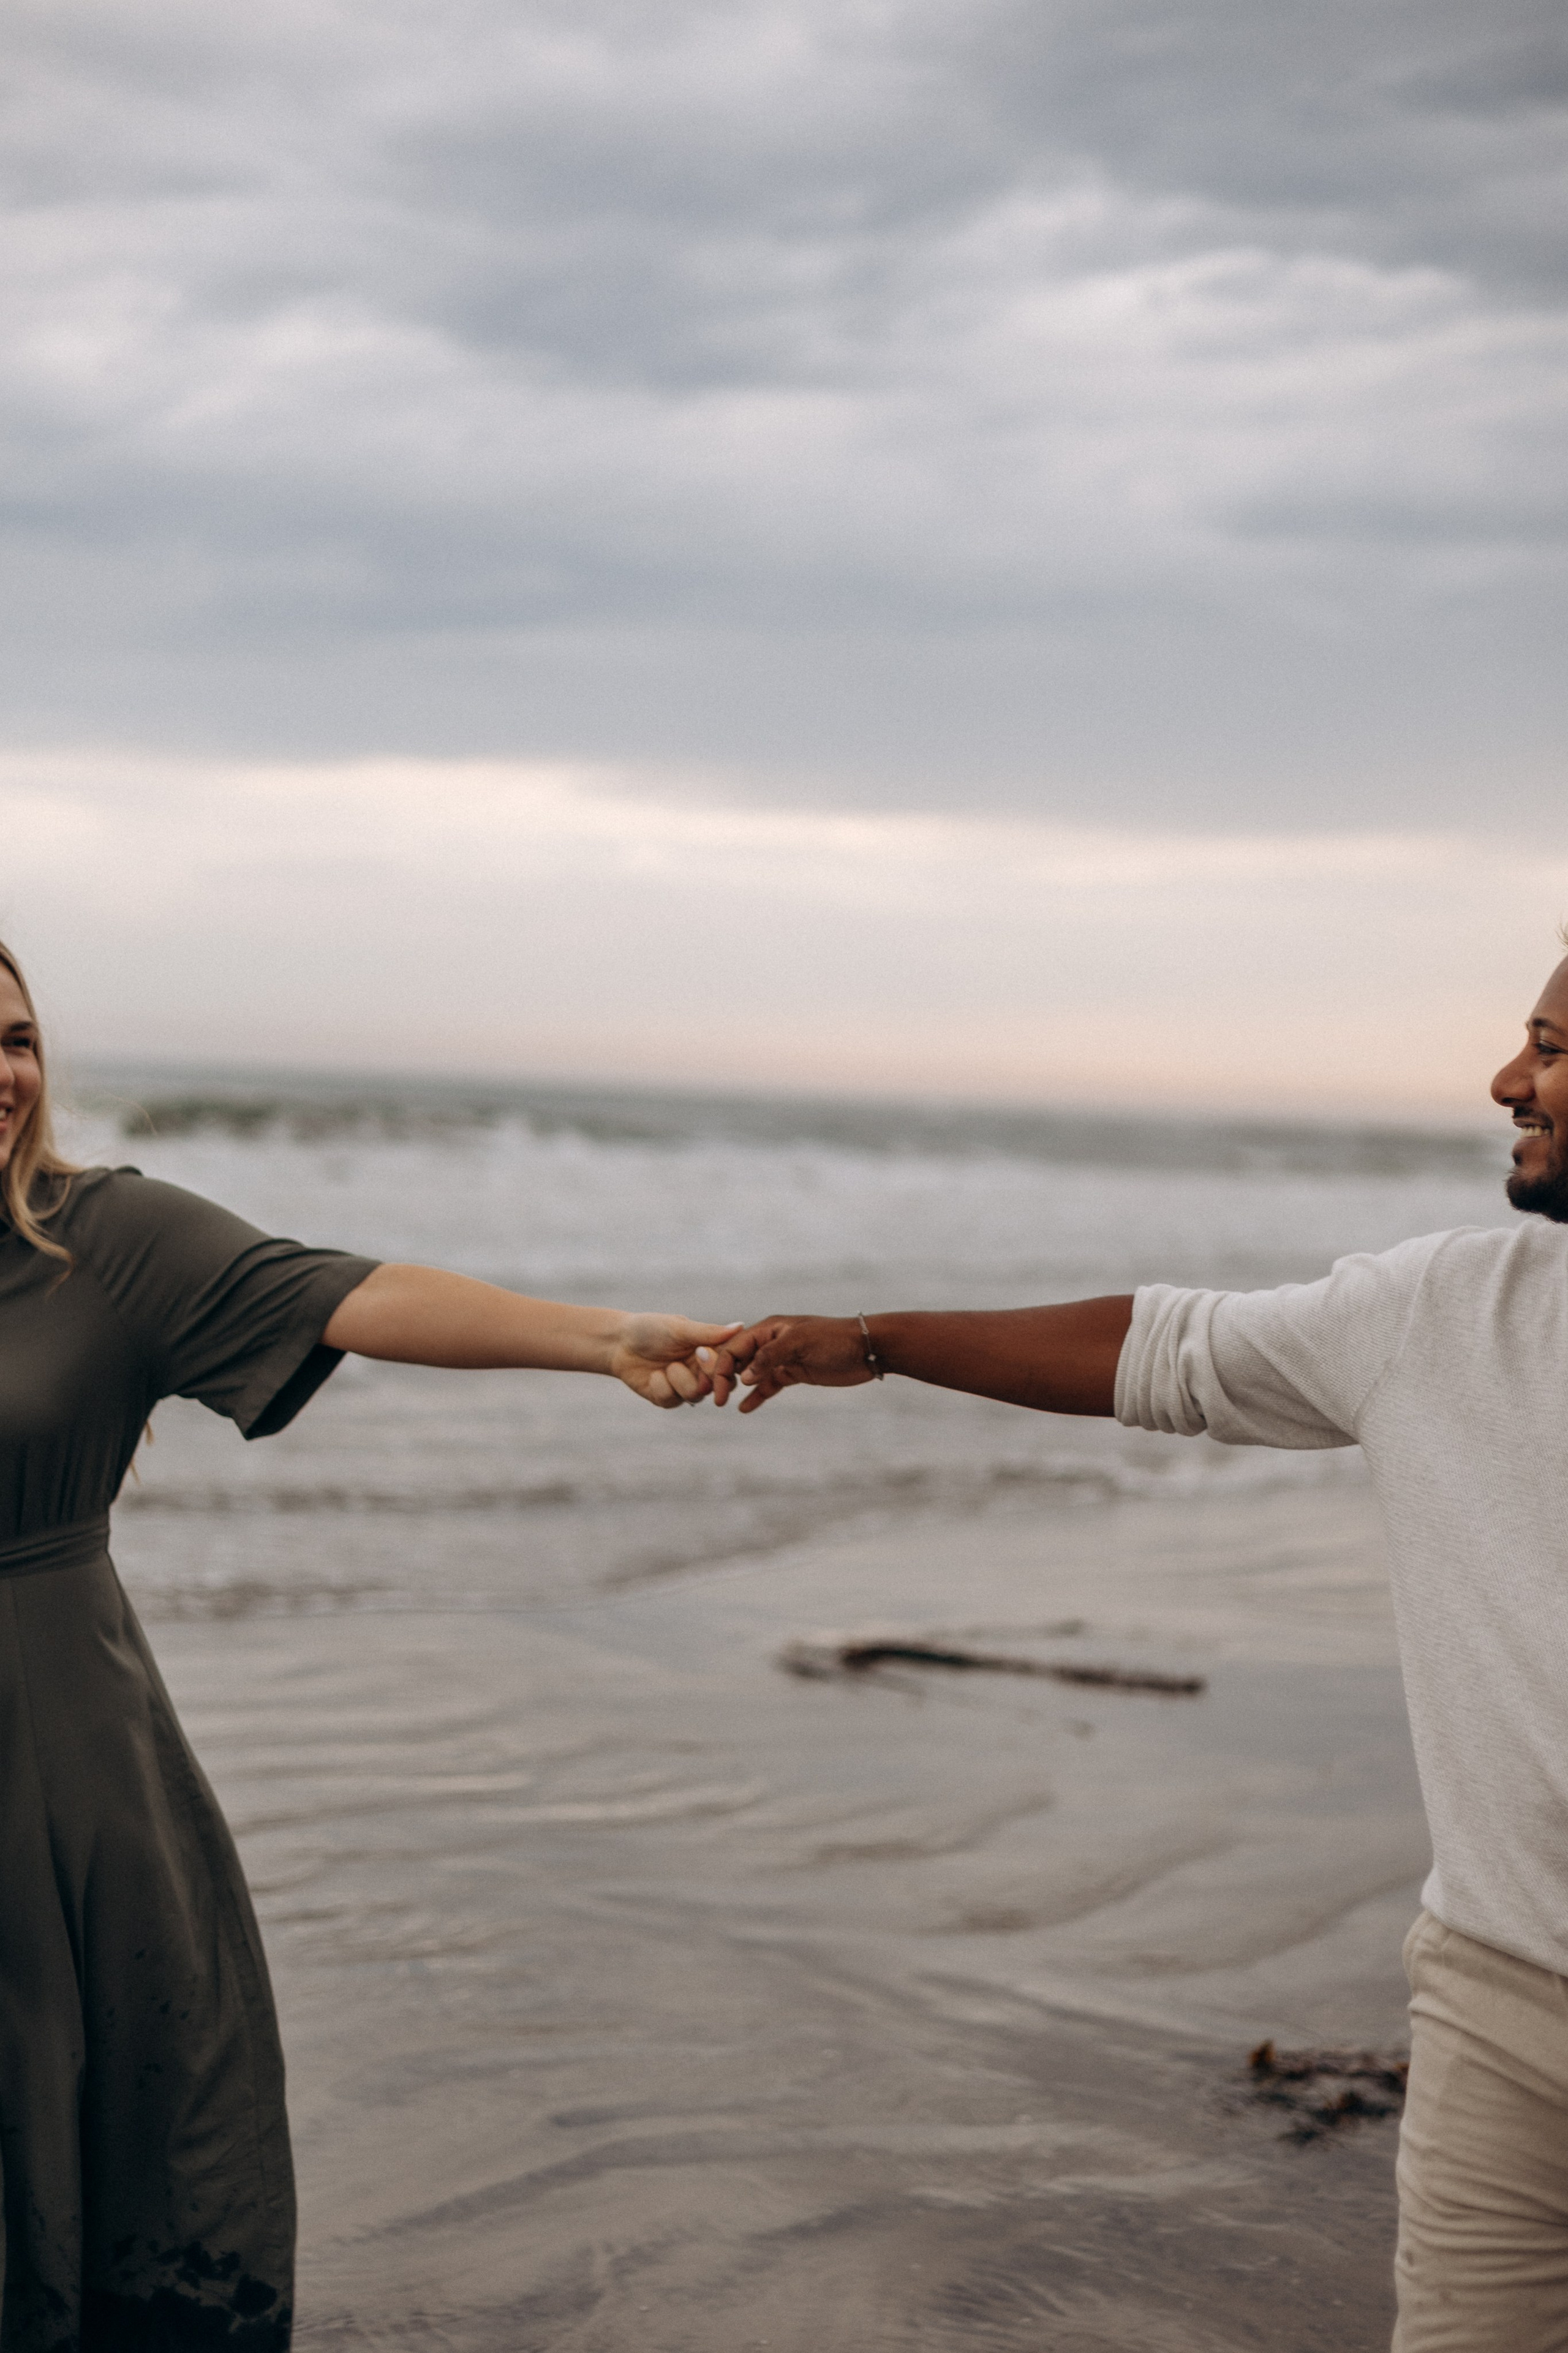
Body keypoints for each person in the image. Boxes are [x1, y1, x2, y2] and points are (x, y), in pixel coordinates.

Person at [703, 948, 1568, 2353]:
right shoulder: (1446, 1313)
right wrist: (871, 1342)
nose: (1504, 1083)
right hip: (1498, 1998)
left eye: (1548, 1049)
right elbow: (1161, 1348)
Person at [0, 939, 733, 2352]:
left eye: (17, 1037)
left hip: (59, 1740)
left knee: (99, 2122)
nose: (4, 1071)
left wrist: (601, 1339)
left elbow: (344, 1292)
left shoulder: (106, 1237)